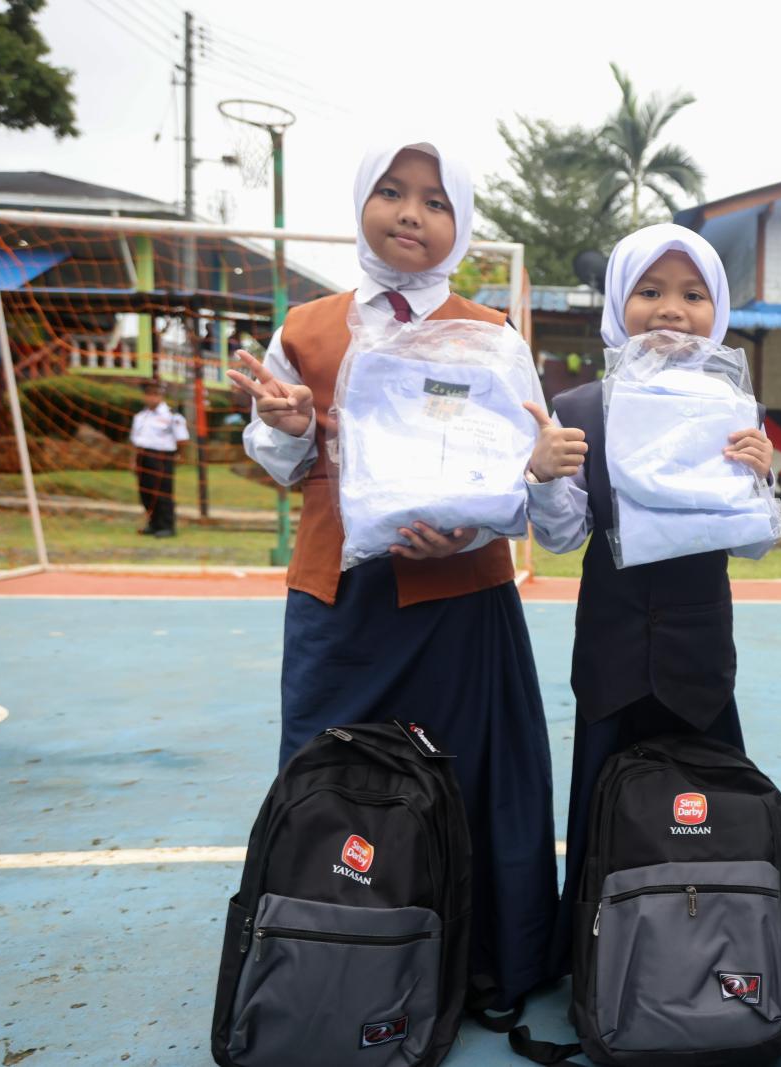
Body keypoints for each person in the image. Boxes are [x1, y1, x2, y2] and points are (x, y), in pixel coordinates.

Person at [228, 140, 555, 1018]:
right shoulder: (306, 328)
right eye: (392, 192)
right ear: (363, 203)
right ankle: (328, 953)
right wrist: (291, 426)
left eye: (436, 201)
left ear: (462, 222)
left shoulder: (494, 337)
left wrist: (474, 523)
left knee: (470, 781)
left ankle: (482, 959)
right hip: (341, 603)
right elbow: (281, 464)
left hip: (462, 601)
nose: (412, 213)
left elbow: (529, 464)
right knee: (328, 777)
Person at [524, 223, 775, 977]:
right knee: (602, 799)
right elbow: (563, 537)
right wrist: (545, 477)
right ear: (617, 303)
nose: (672, 309)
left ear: (718, 309)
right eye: (650, 290)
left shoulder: (732, 405)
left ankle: (713, 948)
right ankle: (593, 956)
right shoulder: (583, 405)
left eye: (694, 294)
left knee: (710, 806)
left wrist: (760, 481)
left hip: (700, 659)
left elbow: (754, 544)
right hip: (612, 652)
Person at [129, 380, 188, 537]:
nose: (152, 398)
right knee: (145, 492)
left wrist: (178, 456)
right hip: (143, 456)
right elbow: (135, 441)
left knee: (162, 493)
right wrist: (133, 461)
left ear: (161, 395)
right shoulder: (140, 416)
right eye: (149, 394)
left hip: (162, 457)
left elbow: (182, 440)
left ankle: (167, 526)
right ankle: (153, 524)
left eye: (155, 394)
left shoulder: (172, 416)